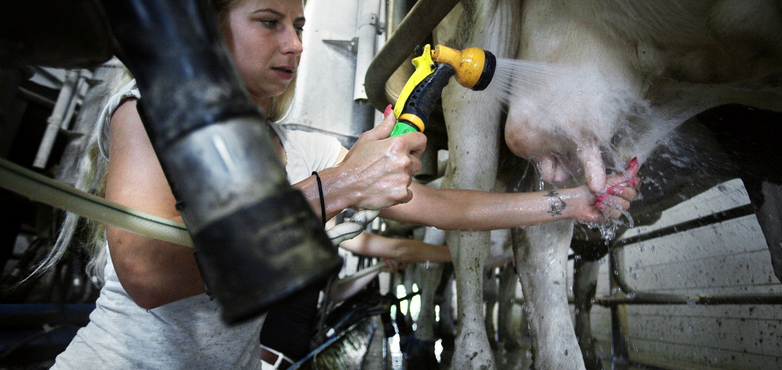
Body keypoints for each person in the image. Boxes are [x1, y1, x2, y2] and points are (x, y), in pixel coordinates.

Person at [45, 0, 641, 369]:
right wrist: (340, 185)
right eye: (269, 22)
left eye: (301, 25)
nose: (296, 44)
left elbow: (441, 203)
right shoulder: (148, 109)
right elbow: (150, 274)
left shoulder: (294, 146)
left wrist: (573, 202)